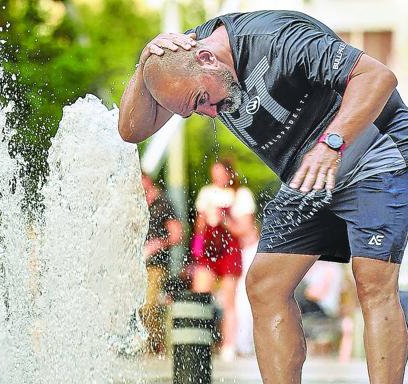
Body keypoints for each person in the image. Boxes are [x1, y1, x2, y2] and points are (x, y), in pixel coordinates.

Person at [118, 10, 408, 383]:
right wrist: (146, 62)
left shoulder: (277, 38)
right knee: (265, 284)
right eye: (194, 110)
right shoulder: (182, 57)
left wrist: (330, 144)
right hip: (310, 172)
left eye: (203, 99)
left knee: (372, 278)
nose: (208, 112)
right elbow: (131, 130)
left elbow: (378, 76)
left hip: (373, 146)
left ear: (208, 58)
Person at [189, 159, 256, 361]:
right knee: (199, 296)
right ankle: (198, 341)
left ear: (229, 174)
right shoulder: (206, 193)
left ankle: (228, 345)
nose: (217, 178)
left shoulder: (242, 195)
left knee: (229, 300)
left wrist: (223, 219)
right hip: (210, 251)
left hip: (229, 249)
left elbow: (244, 229)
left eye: (220, 173)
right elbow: (200, 227)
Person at [140, 173, 183, 355]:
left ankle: (157, 345)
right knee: (138, 308)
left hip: (156, 264)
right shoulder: (136, 200)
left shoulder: (163, 202)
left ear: (148, 180)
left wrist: (159, 243)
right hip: (138, 264)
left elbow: (177, 234)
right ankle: (151, 344)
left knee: (149, 305)